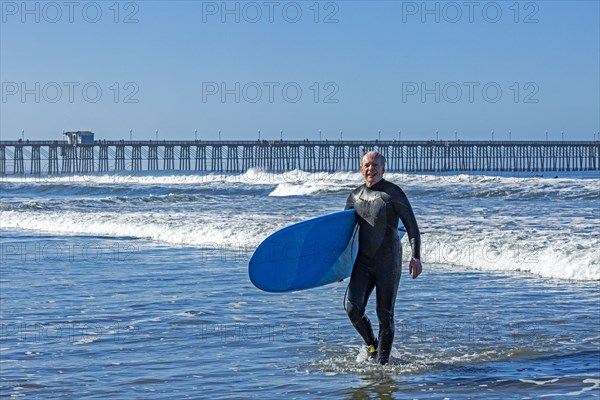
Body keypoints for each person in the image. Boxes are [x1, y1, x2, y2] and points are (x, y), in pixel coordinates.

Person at [344, 151, 422, 365]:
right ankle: (371, 345)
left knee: (384, 314)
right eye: (367, 165)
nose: (371, 169)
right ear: (361, 168)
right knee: (352, 308)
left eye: (376, 165)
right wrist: (339, 266)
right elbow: (345, 235)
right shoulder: (354, 196)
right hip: (363, 262)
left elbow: (412, 226)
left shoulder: (393, 194)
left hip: (388, 262)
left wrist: (416, 256)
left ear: (383, 168)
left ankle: (383, 365)